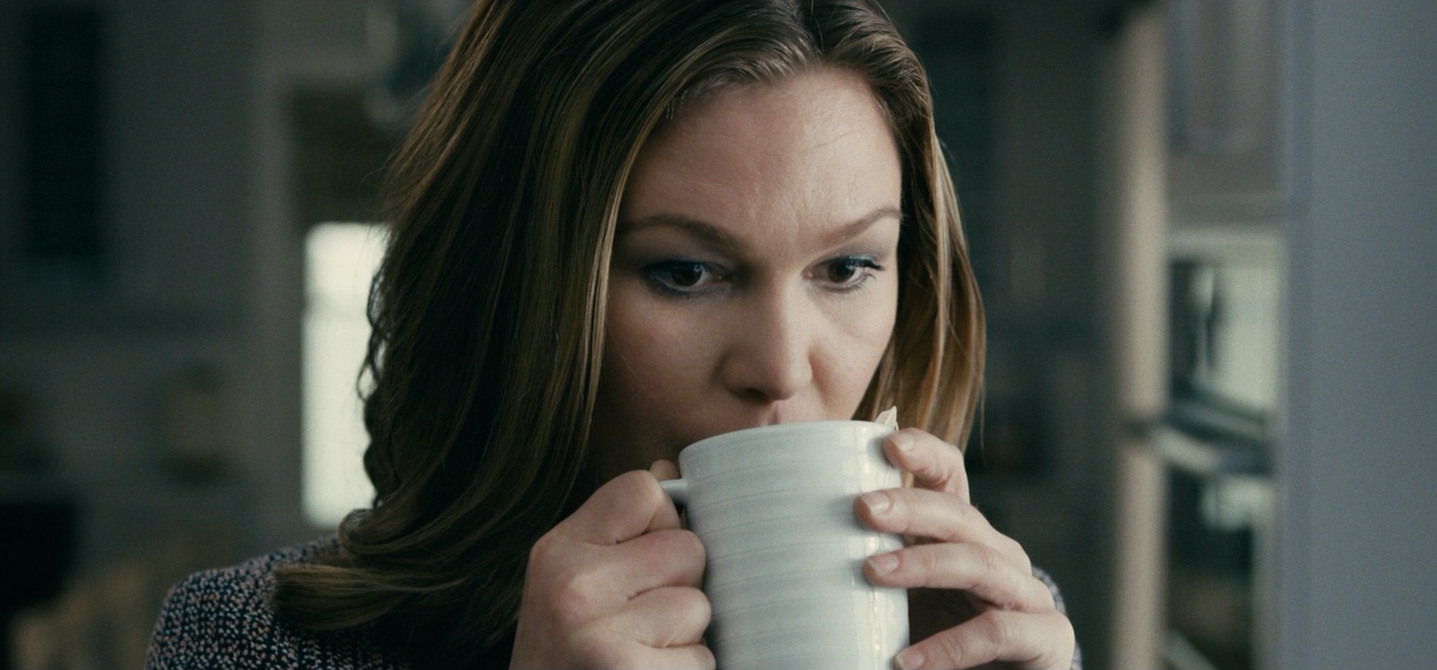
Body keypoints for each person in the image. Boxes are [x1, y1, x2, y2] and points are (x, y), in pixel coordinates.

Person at [147, 0, 1080, 668]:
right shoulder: (246, 643)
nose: (781, 366)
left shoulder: (985, 629)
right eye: (684, 272)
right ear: (518, 288)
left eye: (846, 269)